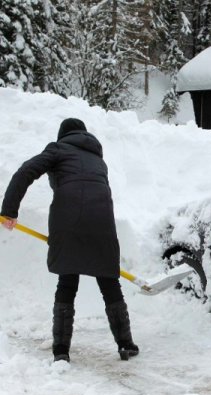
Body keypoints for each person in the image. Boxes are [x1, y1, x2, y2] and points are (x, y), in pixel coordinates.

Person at [0, 118, 139, 362]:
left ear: (62, 135)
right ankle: (126, 344)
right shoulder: (98, 160)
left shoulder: (58, 149)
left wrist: (9, 210)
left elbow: (26, 171)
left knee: (67, 280)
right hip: (102, 221)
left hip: (68, 219)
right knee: (109, 282)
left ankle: (61, 351)